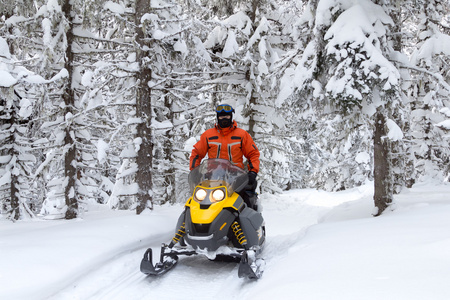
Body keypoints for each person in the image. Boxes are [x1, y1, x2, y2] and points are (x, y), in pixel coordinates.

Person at [189, 104, 260, 208]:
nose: (224, 118)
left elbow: (253, 154)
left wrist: (252, 172)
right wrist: (195, 171)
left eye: (226, 116)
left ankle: (250, 221)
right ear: (217, 117)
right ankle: (191, 221)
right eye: (221, 116)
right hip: (212, 177)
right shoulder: (208, 135)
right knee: (199, 201)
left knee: (246, 202)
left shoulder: (241, 135)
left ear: (231, 116)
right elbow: (197, 153)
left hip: (236, 178)